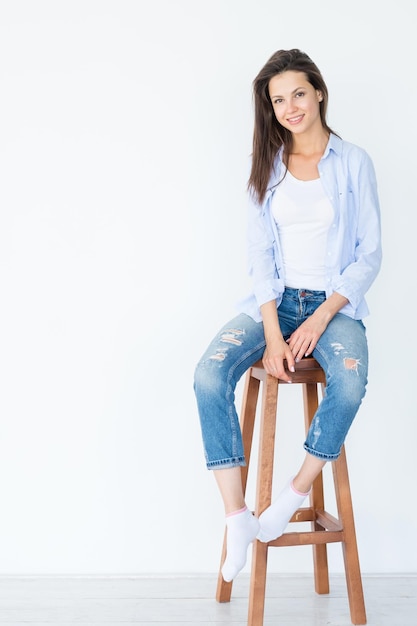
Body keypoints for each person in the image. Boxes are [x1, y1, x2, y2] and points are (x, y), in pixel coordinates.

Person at [193, 48, 382, 583]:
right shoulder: (266, 165)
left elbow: (369, 254)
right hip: (273, 305)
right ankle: (237, 519)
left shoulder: (354, 162)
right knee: (208, 375)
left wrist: (320, 319)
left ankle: (291, 494)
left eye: (298, 93)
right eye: (278, 100)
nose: (290, 107)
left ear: (318, 92)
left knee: (349, 384)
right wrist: (275, 335)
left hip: (333, 306)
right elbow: (260, 258)